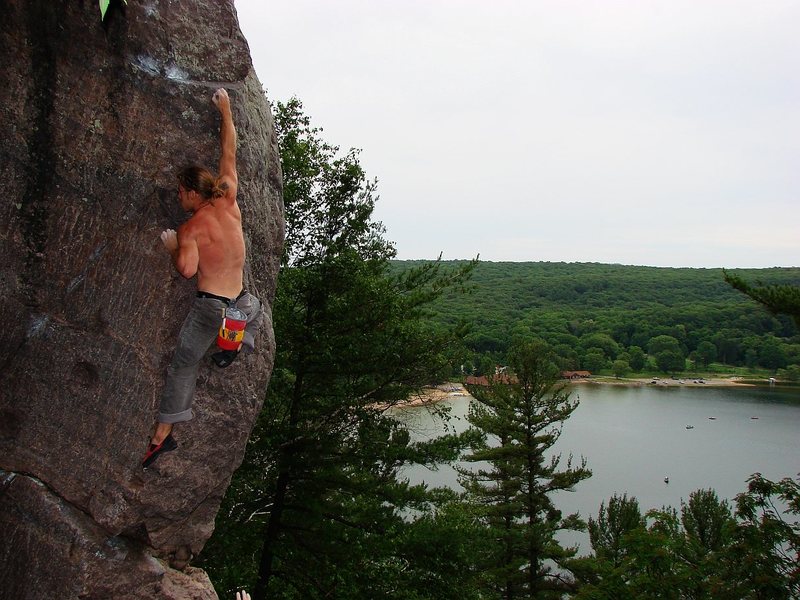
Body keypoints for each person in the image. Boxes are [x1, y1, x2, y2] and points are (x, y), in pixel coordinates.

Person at [142, 88, 262, 468]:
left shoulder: (191, 228)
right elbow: (230, 151)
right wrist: (226, 110)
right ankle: (235, 344)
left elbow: (187, 270)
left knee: (183, 364)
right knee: (257, 308)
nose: (179, 198)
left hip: (210, 309)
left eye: (181, 192)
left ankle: (162, 436)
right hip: (240, 302)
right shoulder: (228, 197)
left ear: (193, 193)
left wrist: (172, 246)